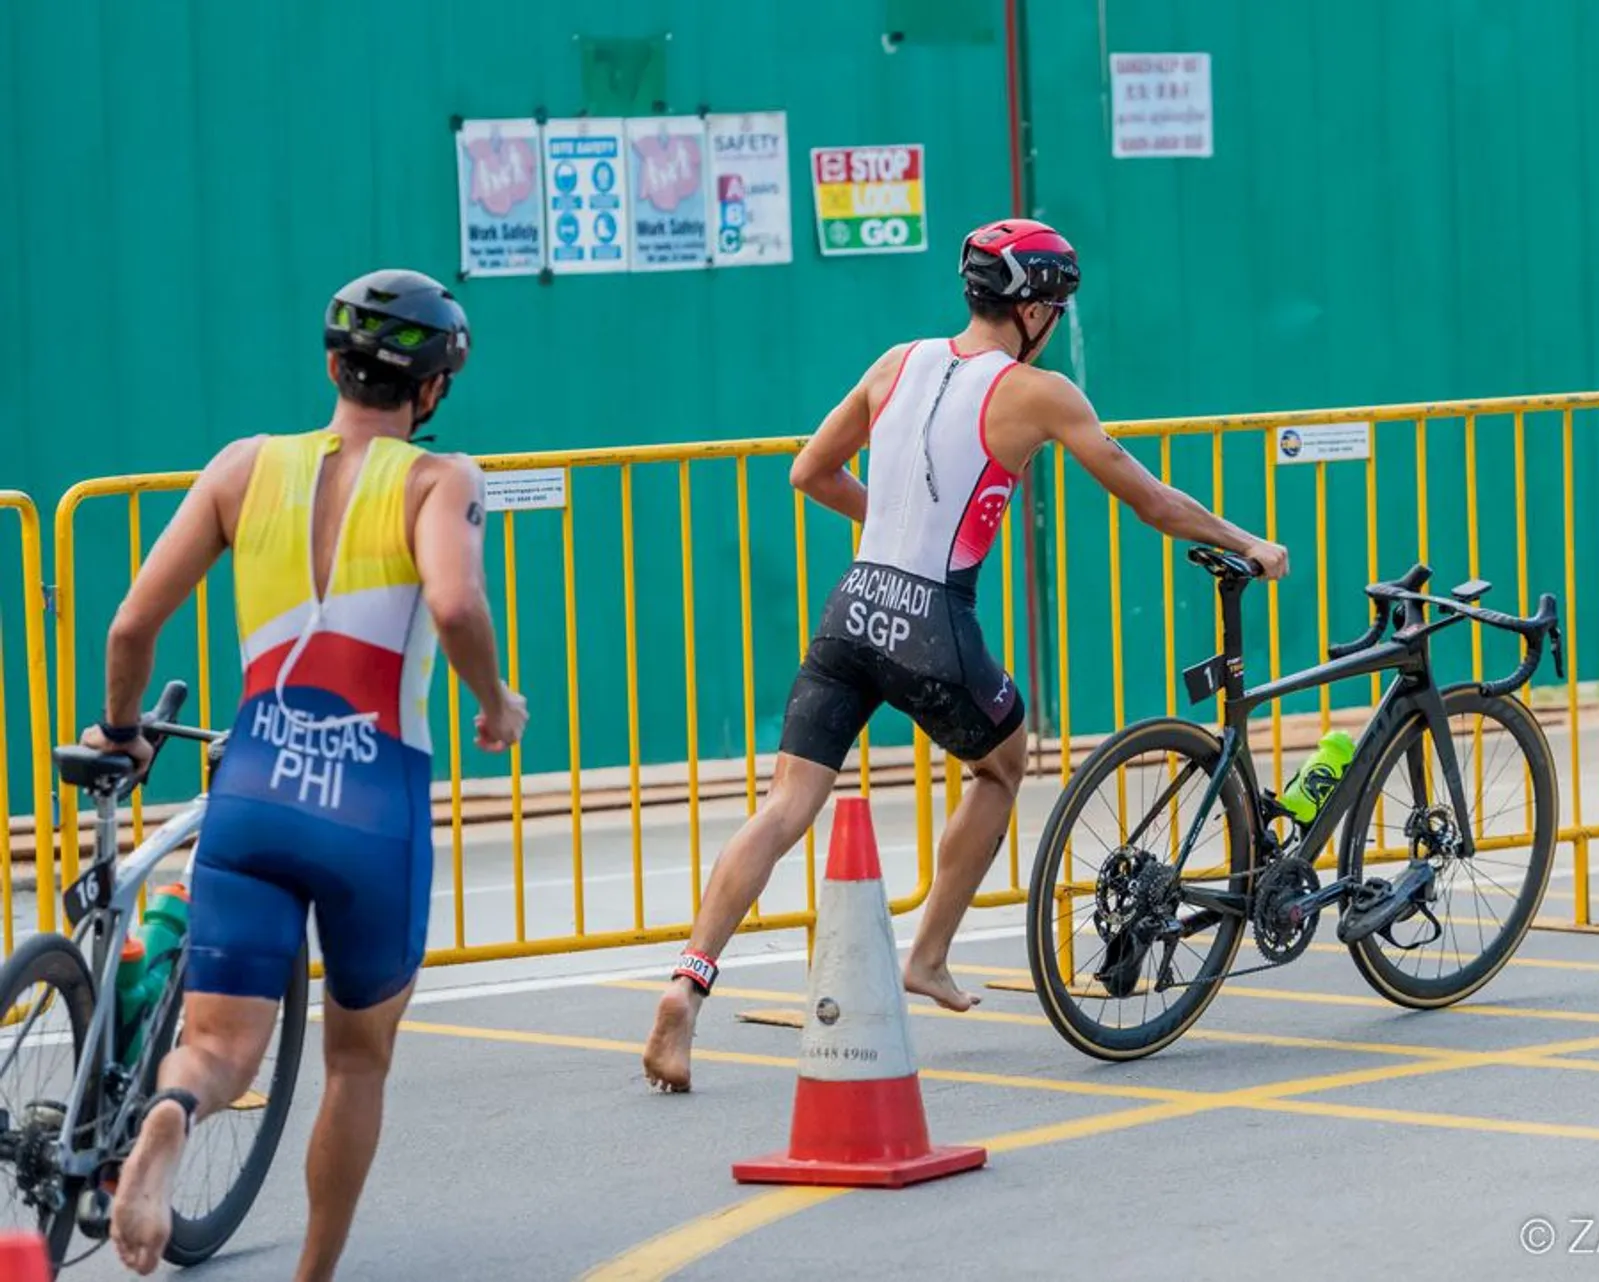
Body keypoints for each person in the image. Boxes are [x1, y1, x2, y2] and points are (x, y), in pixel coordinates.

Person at [642, 218, 1288, 1091]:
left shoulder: (896, 362)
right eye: (1057, 307)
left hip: (852, 605)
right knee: (1001, 767)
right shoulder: (1041, 393)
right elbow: (1151, 501)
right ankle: (929, 955)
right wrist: (1247, 542)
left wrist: (890, 522)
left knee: (785, 806)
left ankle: (687, 985)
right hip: (932, 620)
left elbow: (809, 472)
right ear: (1034, 310)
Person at [95, 269, 528, 1280]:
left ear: (333, 367)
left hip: (253, 792)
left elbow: (130, 625)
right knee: (356, 1061)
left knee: (216, 1049)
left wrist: (122, 729)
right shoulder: (439, 480)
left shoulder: (243, 467)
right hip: (371, 808)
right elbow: (456, 607)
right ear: (432, 389)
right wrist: (494, 700)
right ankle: (314, 1274)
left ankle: (171, 1114)